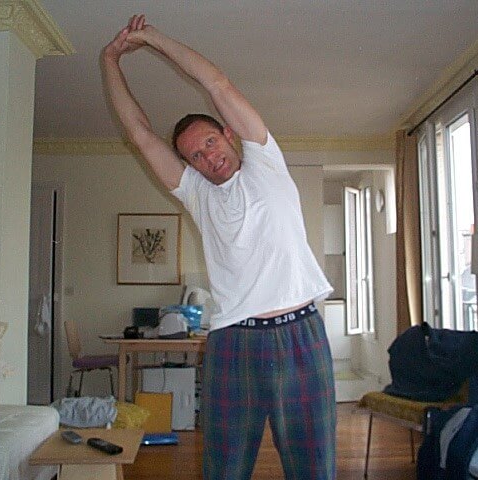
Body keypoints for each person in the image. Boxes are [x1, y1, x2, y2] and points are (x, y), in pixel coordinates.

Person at [102, 14, 336, 480]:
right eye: (196, 155)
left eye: (211, 141)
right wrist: (110, 60)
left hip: (300, 339)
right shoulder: (197, 194)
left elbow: (216, 82)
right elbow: (140, 135)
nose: (210, 158)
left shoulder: (266, 163)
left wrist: (151, 39)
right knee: (223, 469)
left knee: (314, 469)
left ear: (229, 134)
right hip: (232, 344)